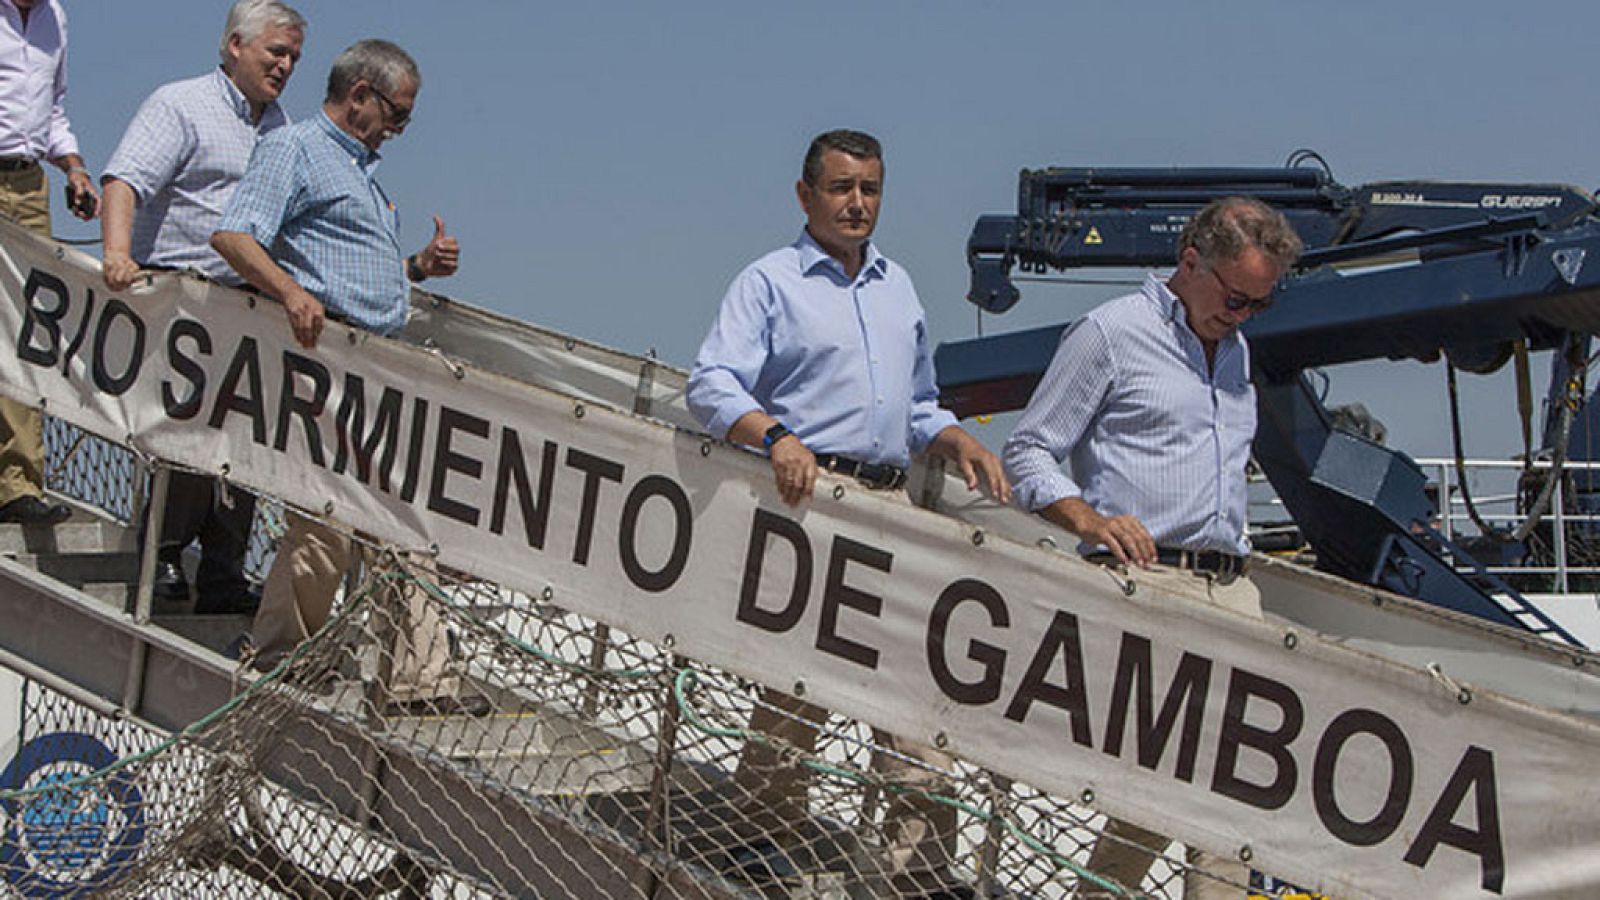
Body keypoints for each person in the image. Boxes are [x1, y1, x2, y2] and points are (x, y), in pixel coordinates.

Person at [687, 129, 1008, 900]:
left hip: (891, 505)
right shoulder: (769, 282)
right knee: (797, 683)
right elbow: (712, 385)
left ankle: (917, 872)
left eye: (869, 189)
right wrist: (777, 437)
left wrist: (954, 434)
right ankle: (759, 840)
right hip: (809, 501)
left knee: (909, 684)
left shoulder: (899, 288)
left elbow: (919, 403)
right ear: (806, 196)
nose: (857, 203)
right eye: (841, 189)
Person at [1001, 196, 1303, 900]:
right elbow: (1029, 451)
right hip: (1148, 583)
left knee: (1232, 799)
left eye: (1260, 304)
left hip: (1233, 591)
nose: (1243, 315)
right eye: (1236, 298)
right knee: (1156, 788)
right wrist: (1088, 520)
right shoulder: (1110, 334)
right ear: (1189, 262)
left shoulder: (1237, 348)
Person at [211, 39, 477, 717]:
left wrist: (415, 267)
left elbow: (351, 267)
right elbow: (237, 235)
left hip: (374, 370)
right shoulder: (297, 149)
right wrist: (291, 292)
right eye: (397, 113)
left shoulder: (364, 174)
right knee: (324, 522)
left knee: (400, 523)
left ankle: (418, 682)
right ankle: (282, 656)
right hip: (324, 363)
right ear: (359, 94)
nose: (400, 128)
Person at [99, 0, 305, 615]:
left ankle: (222, 569)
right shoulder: (180, 104)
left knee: (243, 442)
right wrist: (115, 256)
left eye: (293, 56)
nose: (286, 66)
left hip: (246, 306)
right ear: (235, 46)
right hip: (181, 299)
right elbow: (124, 180)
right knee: (191, 431)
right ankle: (161, 550)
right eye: (277, 52)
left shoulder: (280, 129)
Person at [0, 0, 98, 525]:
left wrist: (75, 169)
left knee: (27, 330)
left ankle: (18, 483)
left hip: (29, 182)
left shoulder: (54, 17)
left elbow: (51, 109)